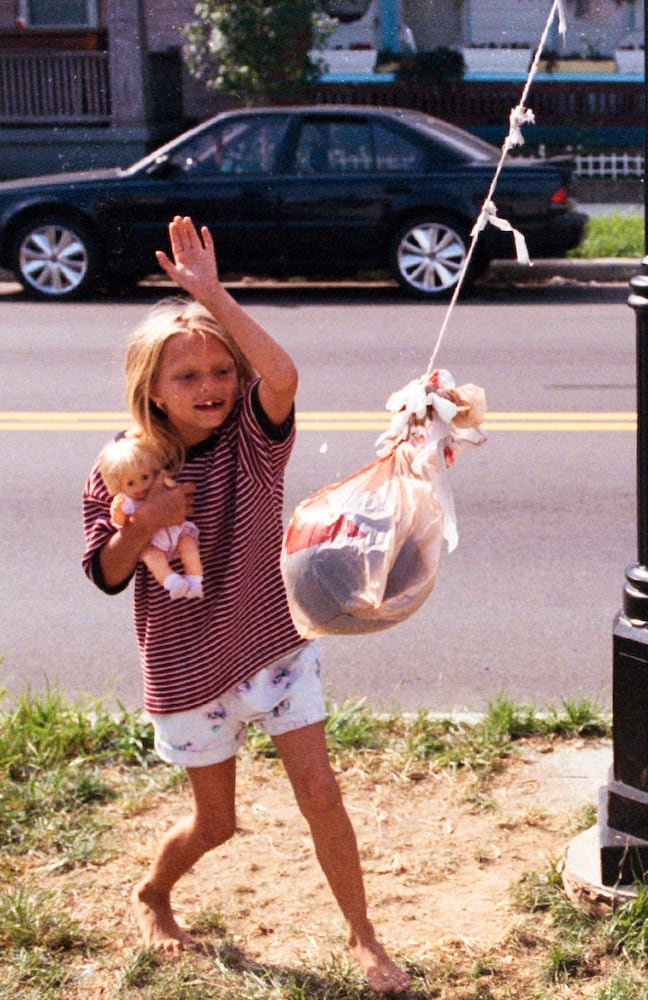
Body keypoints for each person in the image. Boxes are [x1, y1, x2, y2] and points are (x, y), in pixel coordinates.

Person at [80, 216, 417, 993]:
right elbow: (104, 573)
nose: (210, 388)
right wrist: (149, 524)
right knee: (217, 824)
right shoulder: (119, 469)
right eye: (187, 378)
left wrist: (210, 294)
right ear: (152, 394)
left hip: (274, 642)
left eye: (219, 371)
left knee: (322, 793)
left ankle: (366, 941)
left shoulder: (252, 437)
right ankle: (154, 892)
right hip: (185, 664)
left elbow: (283, 376)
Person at [97, 435, 204, 600]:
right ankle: (172, 582)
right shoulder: (127, 502)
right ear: (119, 486)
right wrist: (120, 512)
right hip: (153, 542)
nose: (140, 487)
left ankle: (195, 580)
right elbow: (120, 522)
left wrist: (175, 487)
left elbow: (177, 489)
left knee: (188, 544)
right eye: (131, 484)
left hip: (176, 531)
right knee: (152, 557)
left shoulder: (159, 485)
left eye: (145, 478)